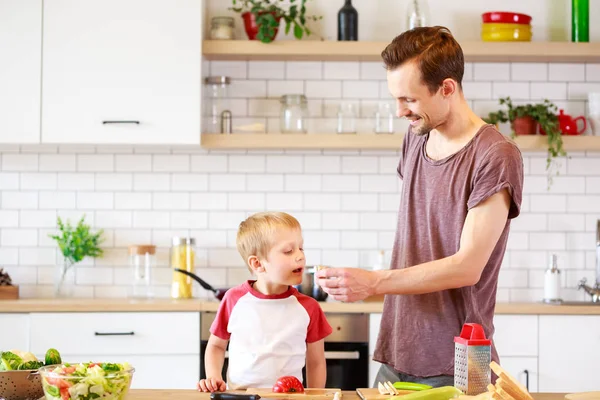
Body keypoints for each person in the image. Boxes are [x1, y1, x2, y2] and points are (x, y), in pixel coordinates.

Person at [316, 26, 524, 388]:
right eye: (395, 99)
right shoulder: (416, 139)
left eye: (409, 100)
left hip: (458, 359)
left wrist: (375, 280)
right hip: (398, 351)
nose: (400, 112)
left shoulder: (494, 155)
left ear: (447, 88)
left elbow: (468, 267)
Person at [197, 211, 332, 392]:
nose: (300, 256)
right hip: (240, 397)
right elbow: (216, 345)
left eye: (301, 248)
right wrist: (214, 377)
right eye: (288, 251)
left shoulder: (309, 307)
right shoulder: (234, 300)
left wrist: (316, 396)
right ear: (258, 264)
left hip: (289, 398)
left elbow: (316, 362)